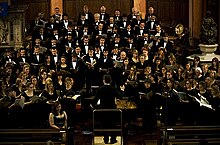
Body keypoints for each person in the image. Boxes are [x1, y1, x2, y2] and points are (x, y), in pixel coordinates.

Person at [92, 75, 119, 144]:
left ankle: (106, 139)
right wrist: (122, 90)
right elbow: (120, 96)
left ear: (103, 81)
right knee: (113, 125)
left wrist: (92, 105)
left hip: (103, 109)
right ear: (111, 81)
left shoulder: (100, 89)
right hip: (112, 110)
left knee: (104, 124)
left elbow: (95, 100)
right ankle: (113, 139)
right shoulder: (113, 89)